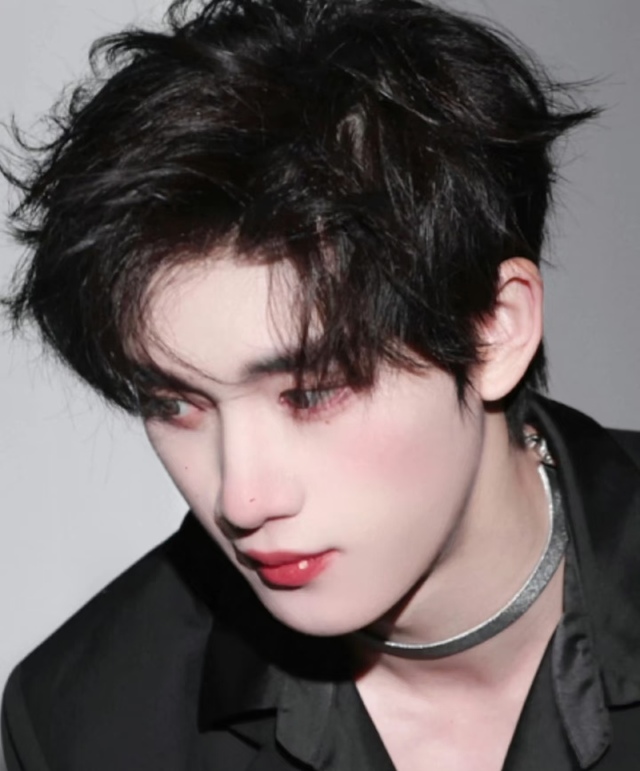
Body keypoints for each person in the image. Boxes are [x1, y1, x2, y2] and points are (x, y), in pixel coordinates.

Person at [2, 0, 640, 768]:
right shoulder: (87, 722)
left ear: (494, 330)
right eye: (174, 402)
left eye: (312, 393)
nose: (242, 500)